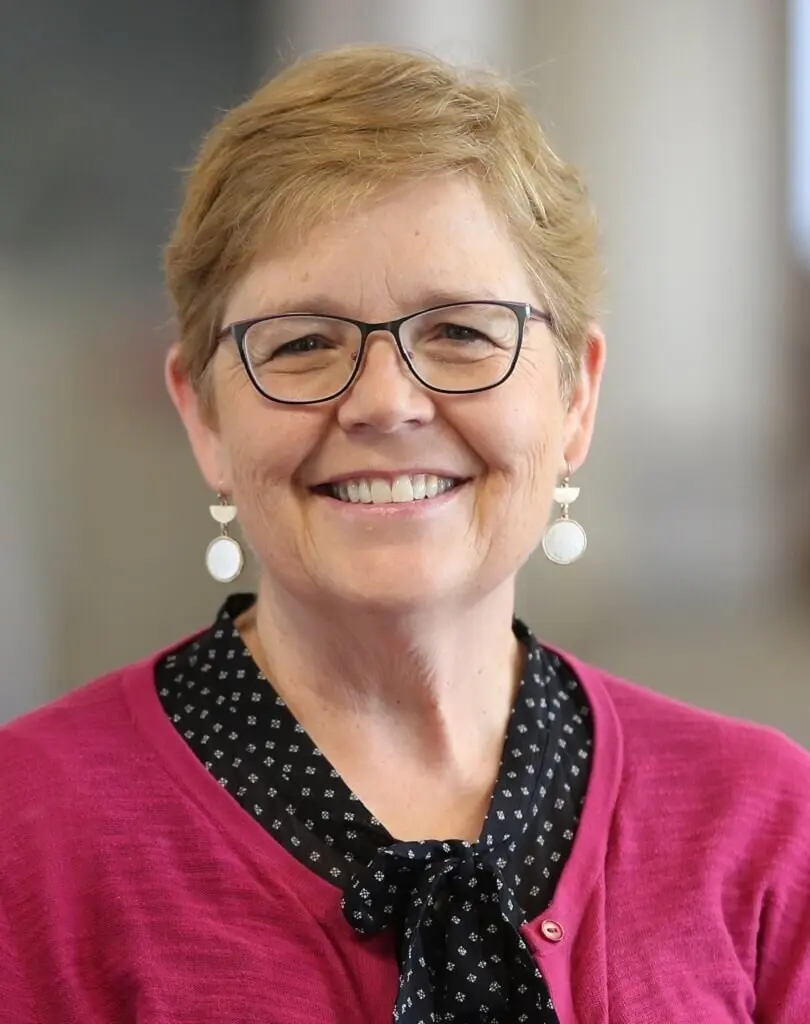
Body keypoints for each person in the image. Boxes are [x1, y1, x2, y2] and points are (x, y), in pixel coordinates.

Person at [1, 44, 808, 1024]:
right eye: (303, 343)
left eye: (461, 333)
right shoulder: (25, 836)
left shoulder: (769, 830)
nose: (386, 403)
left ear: (576, 397)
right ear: (204, 417)